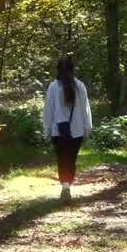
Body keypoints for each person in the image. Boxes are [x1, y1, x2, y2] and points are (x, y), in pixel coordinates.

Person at [42, 55, 92, 201]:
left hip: (58, 131)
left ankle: (65, 186)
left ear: (58, 69)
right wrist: (87, 128)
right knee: (71, 159)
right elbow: (85, 109)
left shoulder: (53, 86)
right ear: (72, 69)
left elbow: (48, 110)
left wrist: (47, 129)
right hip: (77, 131)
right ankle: (67, 185)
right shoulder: (80, 86)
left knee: (62, 159)